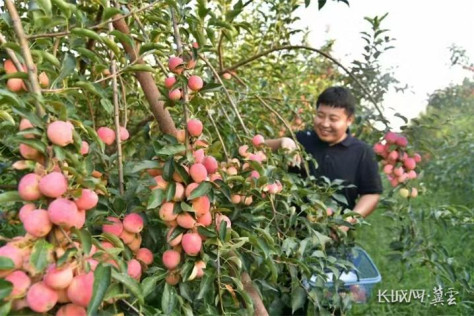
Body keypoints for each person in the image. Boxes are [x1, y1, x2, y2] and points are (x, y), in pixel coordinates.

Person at [265, 86, 383, 230]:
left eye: (333, 119)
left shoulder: (362, 152)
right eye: (320, 115)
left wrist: (346, 223)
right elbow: (256, 150)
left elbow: (371, 194)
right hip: (287, 230)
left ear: (349, 120)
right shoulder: (301, 140)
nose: (325, 123)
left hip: (332, 235)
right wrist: (281, 142)